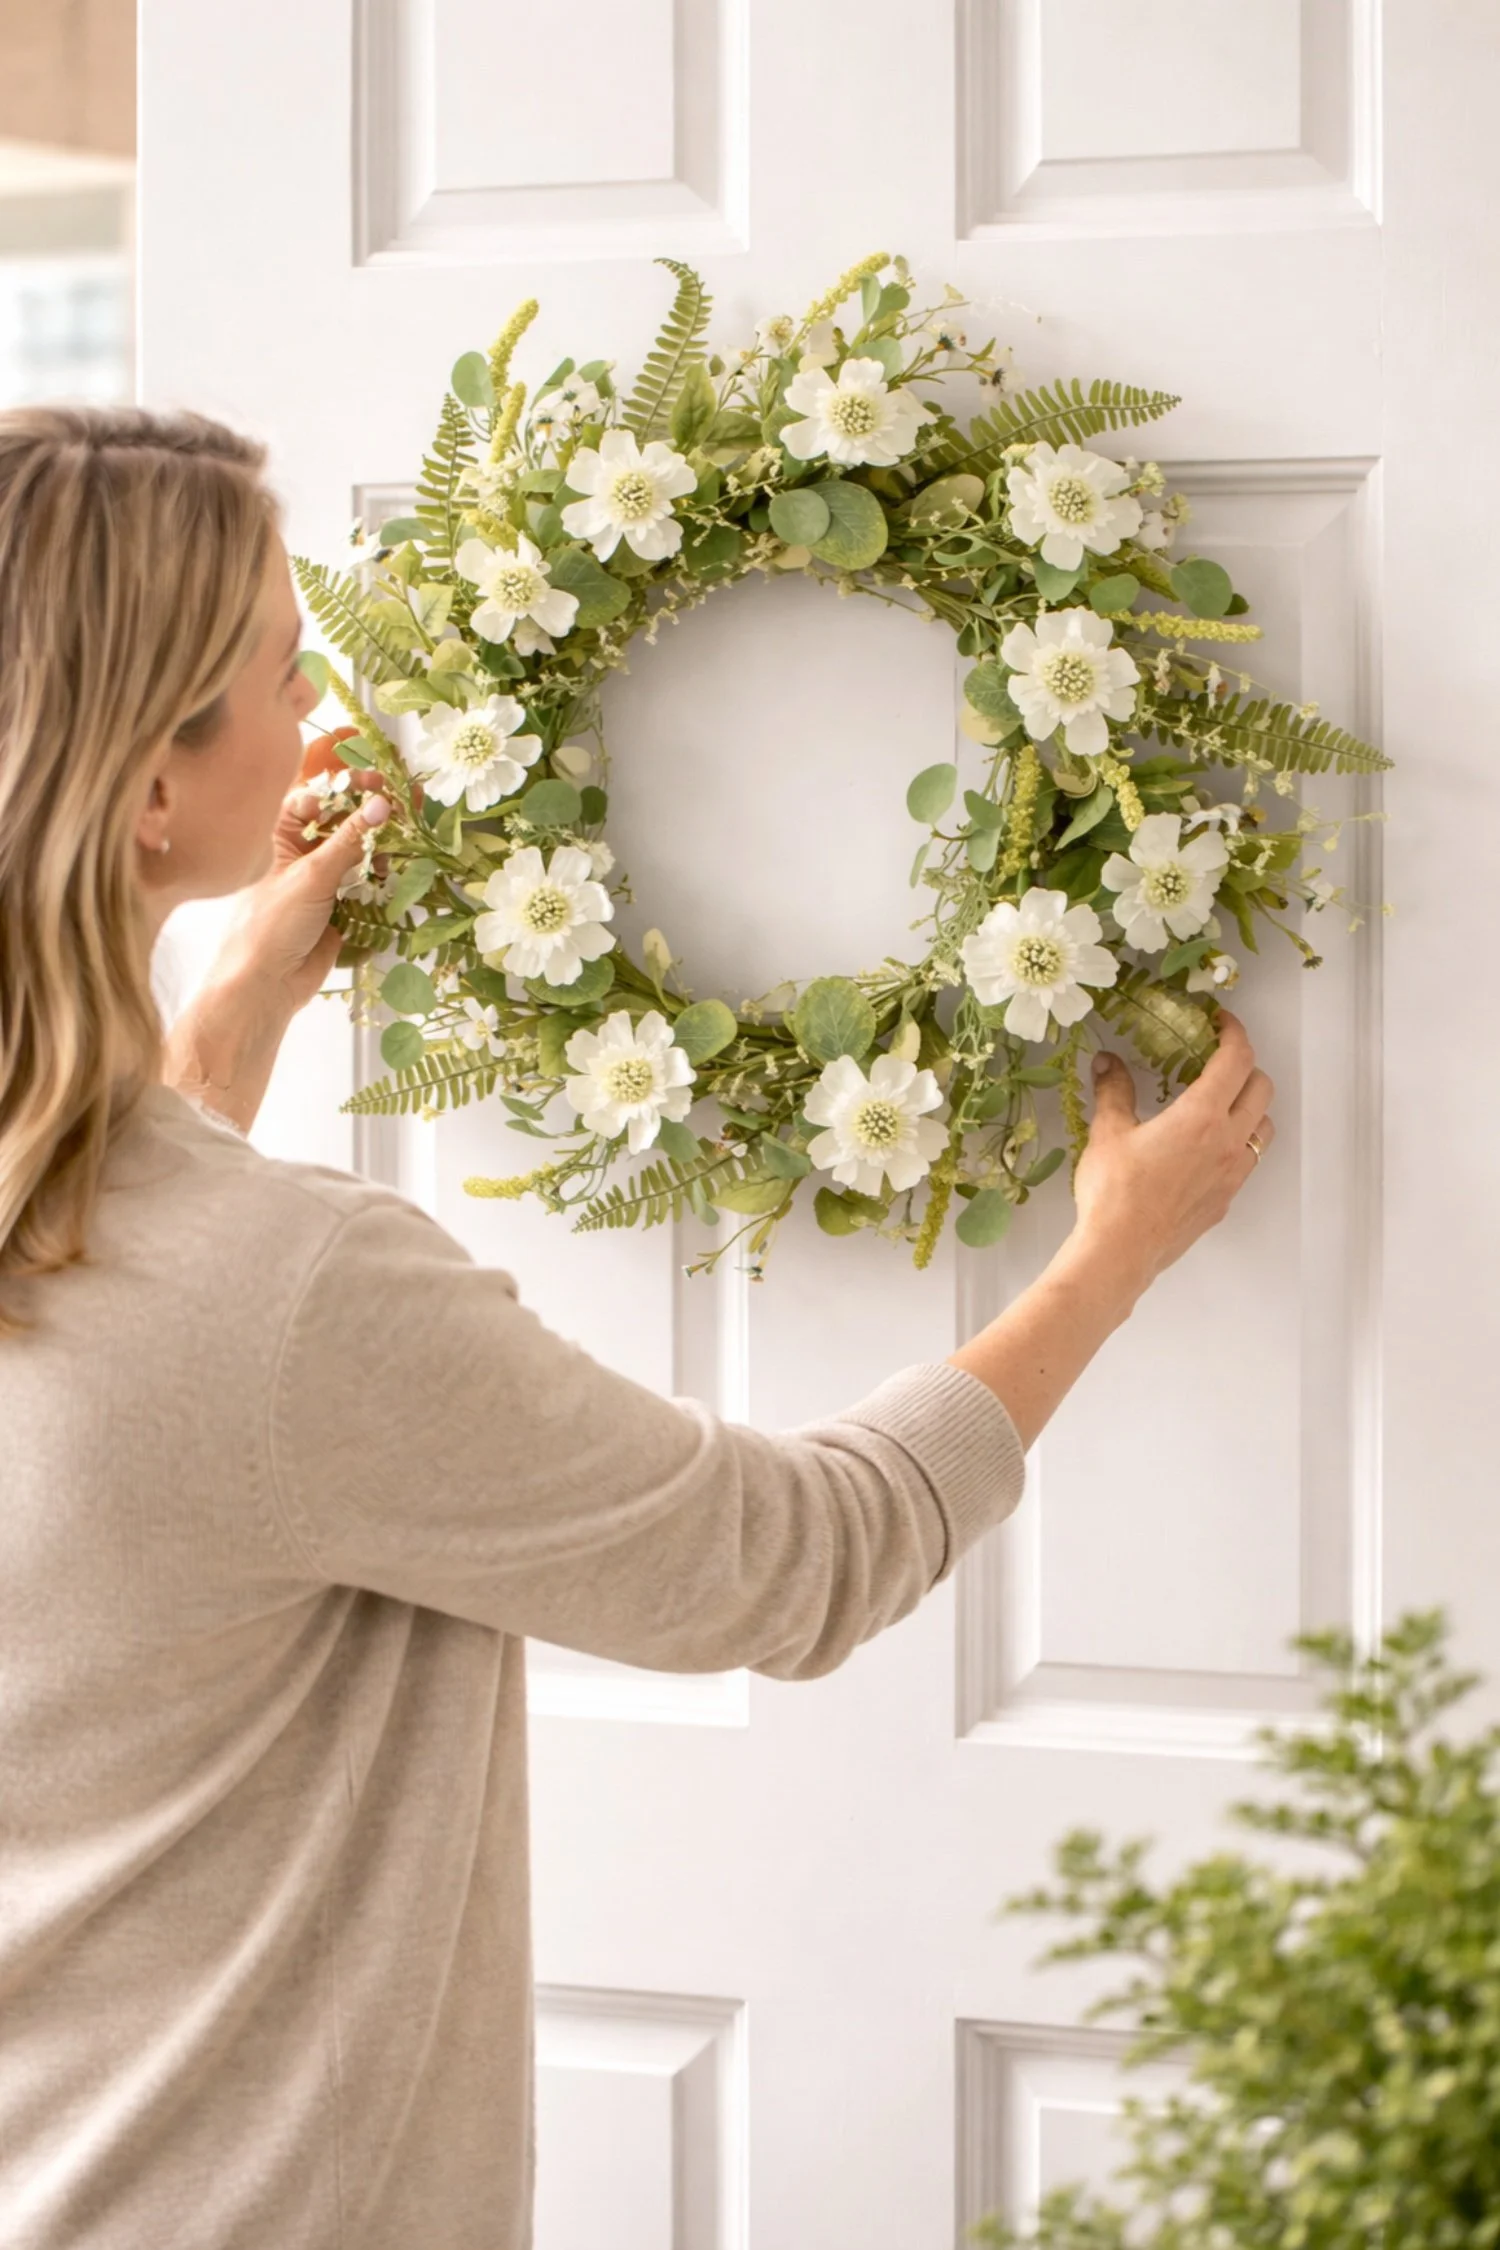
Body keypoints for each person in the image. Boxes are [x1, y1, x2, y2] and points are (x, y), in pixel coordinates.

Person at [0, 406, 1275, 2250]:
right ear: (146, 797)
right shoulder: (286, 1297)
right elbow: (786, 1561)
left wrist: (218, 1043)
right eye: (285, 667)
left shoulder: (112, 1242)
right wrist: (1109, 1259)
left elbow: (120, 1406)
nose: (317, 710)